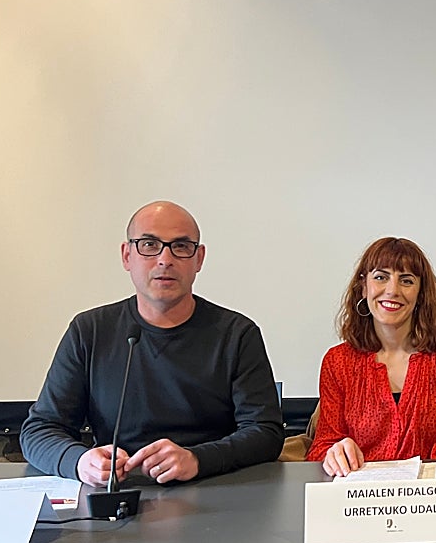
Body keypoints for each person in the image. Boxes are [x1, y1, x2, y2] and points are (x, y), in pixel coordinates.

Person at [20, 201, 284, 486]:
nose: (165, 259)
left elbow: (265, 432)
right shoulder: (90, 330)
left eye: (181, 247)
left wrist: (197, 459)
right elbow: (40, 431)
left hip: (212, 488)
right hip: (119, 492)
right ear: (126, 255)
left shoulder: (236, 334)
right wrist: (80, 462)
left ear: (199, 259)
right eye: (149, 245)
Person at [308, 237, 436, 476]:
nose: (392, 290)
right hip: (359, 501)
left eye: (406, 280)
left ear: (421, 293)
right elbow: (321, 448)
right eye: (381, 277)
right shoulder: (338, 362)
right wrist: (335, 453)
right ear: (364, 286)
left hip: (433, 499)